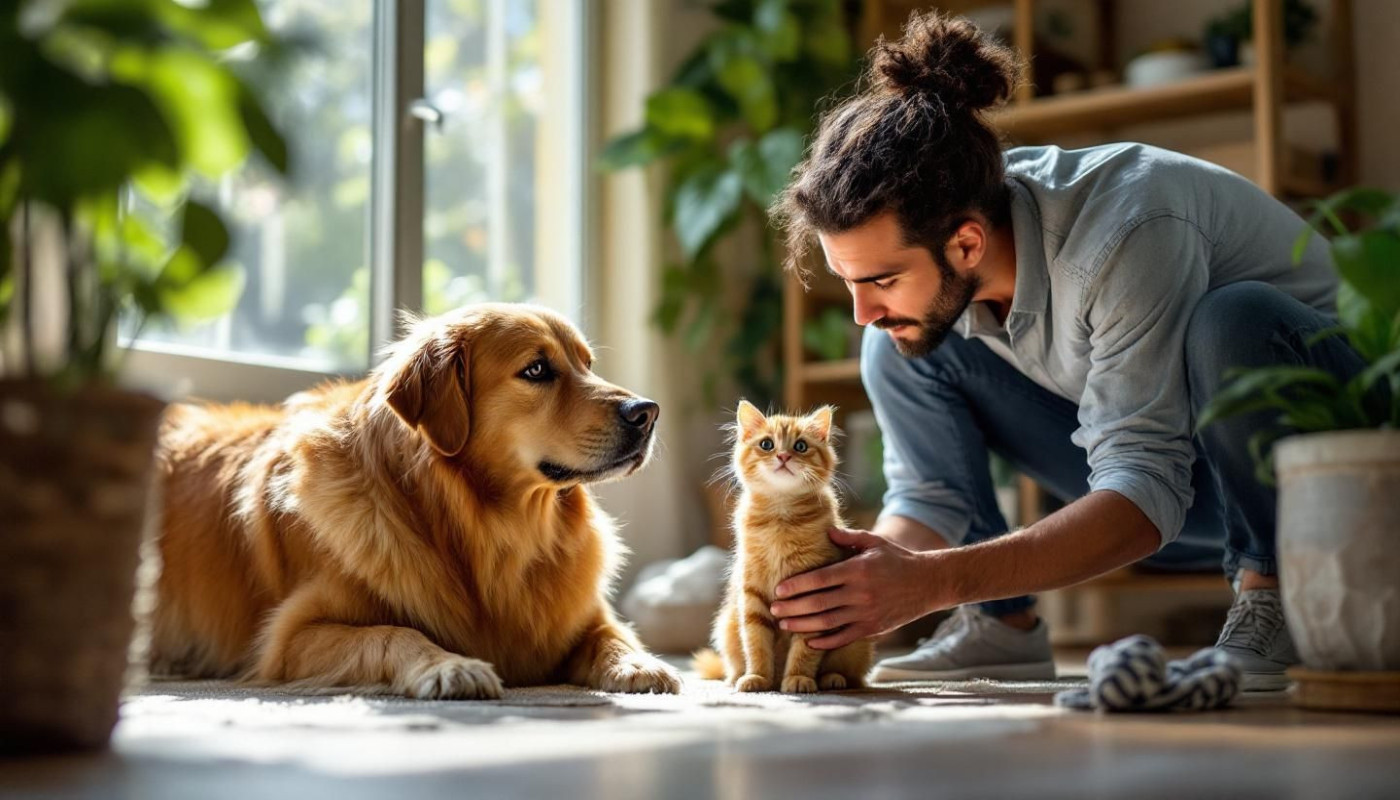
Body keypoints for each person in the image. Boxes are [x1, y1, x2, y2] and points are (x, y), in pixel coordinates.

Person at [765, 11, 1365, 691]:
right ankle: (1001, 629)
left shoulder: (1127, 230)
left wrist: (932, 583)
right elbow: (930, 499)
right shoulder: (959, 228)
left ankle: (1272, 593)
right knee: (900, 349)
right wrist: (846, 583)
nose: (862, 312)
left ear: (966, 244)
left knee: (1232, 317)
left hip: (1334, 470)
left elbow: (1145, 486)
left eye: (880, 280)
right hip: (1185, 489)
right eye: (849, 283)